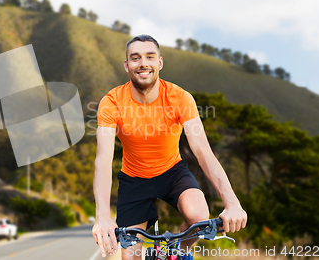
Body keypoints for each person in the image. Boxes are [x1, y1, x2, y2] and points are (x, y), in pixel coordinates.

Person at [91, 34, 247, 260]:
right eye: (135, 58)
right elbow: (103, 160)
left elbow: (203, 152)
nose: (143, 63)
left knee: (199, 217)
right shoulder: (111, 102)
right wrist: (103, 216)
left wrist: (232, 203)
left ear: (159, 63)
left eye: (149, 57)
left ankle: (173, 253)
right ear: (127, 65)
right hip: (133, 179)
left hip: (172, 172)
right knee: (130, 256)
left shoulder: (180, 98)